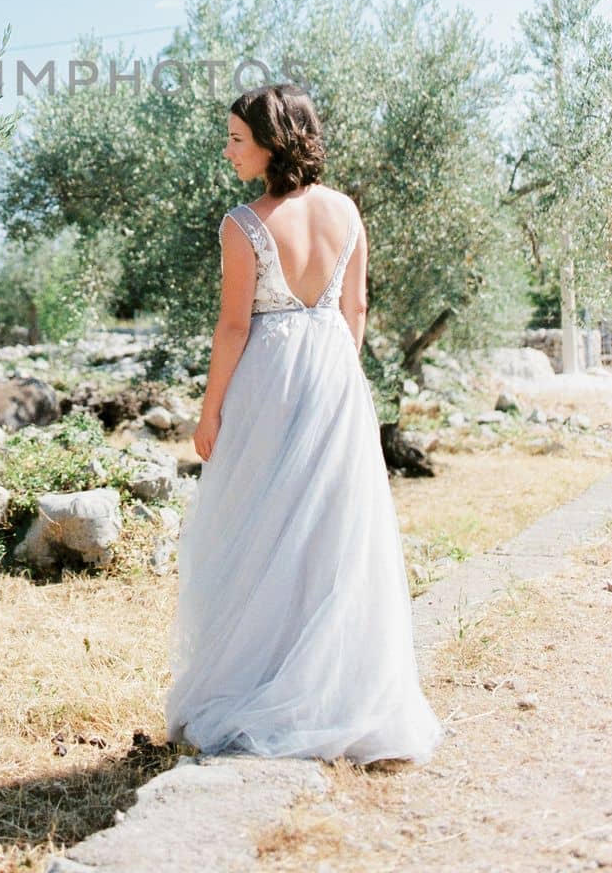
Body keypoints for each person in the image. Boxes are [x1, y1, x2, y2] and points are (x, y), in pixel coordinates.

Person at [164, 83, 443, 764]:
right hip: (334, 377)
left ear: (270, 142)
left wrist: (209, 414)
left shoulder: (242, 222)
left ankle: (259, 683)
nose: (227, 150)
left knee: (258, 528)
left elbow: (233, 326)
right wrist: (334, 376)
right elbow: (354, 308)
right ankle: (337, 691)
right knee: (332, 533)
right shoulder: (346, 212)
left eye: (235, 138)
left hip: (267, 379)